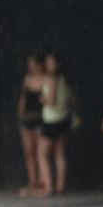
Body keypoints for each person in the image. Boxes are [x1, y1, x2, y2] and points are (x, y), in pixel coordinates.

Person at [37, 51, 72, 196]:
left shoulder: (51, 79)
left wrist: (41, 99)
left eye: (51, 62)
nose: (48, 64)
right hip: (63, 118)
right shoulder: (64, 79)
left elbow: (50, 101)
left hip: (51, 120)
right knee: (60, 154)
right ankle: (60, 186)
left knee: (42, 154)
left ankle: (49, 186)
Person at [17, 53, 45, 196]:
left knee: (41, 151)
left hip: (40, 118)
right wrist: (20, 114)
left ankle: (42, 181)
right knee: (29, 152)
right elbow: (23, 98)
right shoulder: (27, 80)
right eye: (30, 64)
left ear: (40, 65)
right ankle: (32, 180)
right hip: (27, 118)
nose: (31, 67)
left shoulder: (46, 79)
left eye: (34, 64)